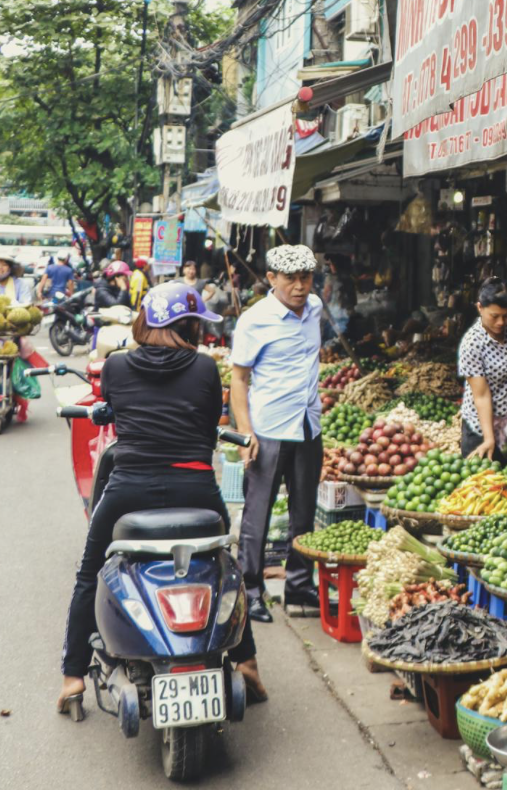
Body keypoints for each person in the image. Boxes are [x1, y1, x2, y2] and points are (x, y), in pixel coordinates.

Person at [57, 281, 266, 714]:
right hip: (196, 489)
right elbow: (211, 422)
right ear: (188, 325)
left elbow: (111, 407)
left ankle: (73, 677)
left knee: (88, 572)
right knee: (229, 566)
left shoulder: (115, 367)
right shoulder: (206, 369)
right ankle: (246, 663)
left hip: (129, 489)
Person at [231, 245, 324, 623]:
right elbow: (238, 379)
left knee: (304, 513)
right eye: (291, 279)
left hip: (307, 425)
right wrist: (245, 432)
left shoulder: (315, 308)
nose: (300, 286)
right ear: (271, 279)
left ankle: (300, 586)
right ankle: (250, 591)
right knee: (258, 515)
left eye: (306, 278)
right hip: (268, 429)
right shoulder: (255, 320)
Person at [458, 280, 507, 462]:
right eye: (494, 316)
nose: (501, 322)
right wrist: (489, 439)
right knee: (481, 484)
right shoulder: (472, 344)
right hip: (481, 429)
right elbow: (481, 395)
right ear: (480, 308)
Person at [322, 254, 355, 337]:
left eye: (331, 264)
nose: (330, 266)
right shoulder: (350, 279)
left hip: (334, 315)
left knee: (330, 339)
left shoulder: (330, 279)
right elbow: (353, 300)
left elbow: (326, 298)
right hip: (347, 315)